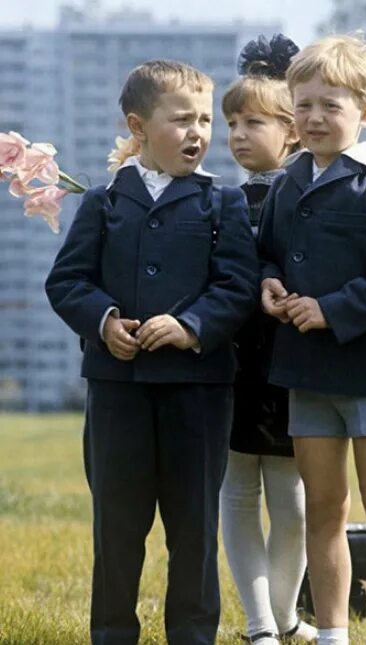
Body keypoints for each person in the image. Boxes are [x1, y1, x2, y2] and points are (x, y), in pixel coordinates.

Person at [45, 59, 260, 644]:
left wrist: (192, 326)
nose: (199, 132)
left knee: (194, 525)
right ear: (137, 128)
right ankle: (112, 633)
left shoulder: (224, 204)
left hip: (200, 391)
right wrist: (104, 320)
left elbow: (237, 286)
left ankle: (193, 635)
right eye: (181, 119)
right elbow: (67, 282)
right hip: (118, 393)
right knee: (117, 524)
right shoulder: (102, 201)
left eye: (203, 120)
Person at [257, 34, 366, 645]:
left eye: (331, 104)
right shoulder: (285, 184)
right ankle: (331, 633)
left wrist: (332, 310)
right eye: (303, 105)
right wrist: (269, 283)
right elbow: (268, 253)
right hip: (305, 369)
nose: (315, 118)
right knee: (324, 507)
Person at [219, 34, 317, 645]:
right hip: (228, 368)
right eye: (231, 122)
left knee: (295, 501)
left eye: (253, 121)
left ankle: (285, 618)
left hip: (294, 364)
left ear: (292, 129)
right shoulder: (213, 200)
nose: (237, 134)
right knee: (236, 493)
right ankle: (261, 625)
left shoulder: (310, 196)